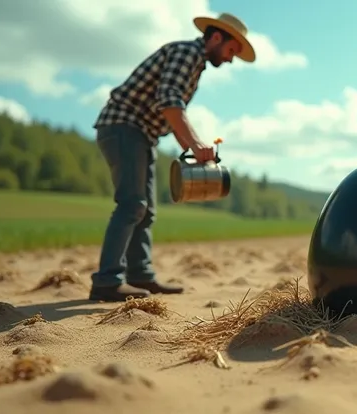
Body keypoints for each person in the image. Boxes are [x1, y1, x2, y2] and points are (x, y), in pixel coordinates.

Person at [88, 13, 257, 302]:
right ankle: (106, 281)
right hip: (124, 127)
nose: (230, 60)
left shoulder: (195, 62)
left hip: (142, 135)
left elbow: (171, 112)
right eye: (231, 51)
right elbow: (169, 101)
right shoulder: (187, 53)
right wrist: (196, 143)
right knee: (132, 204)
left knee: (146, 211)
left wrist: (193, 147)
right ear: (216, 38)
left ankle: (140, 275)